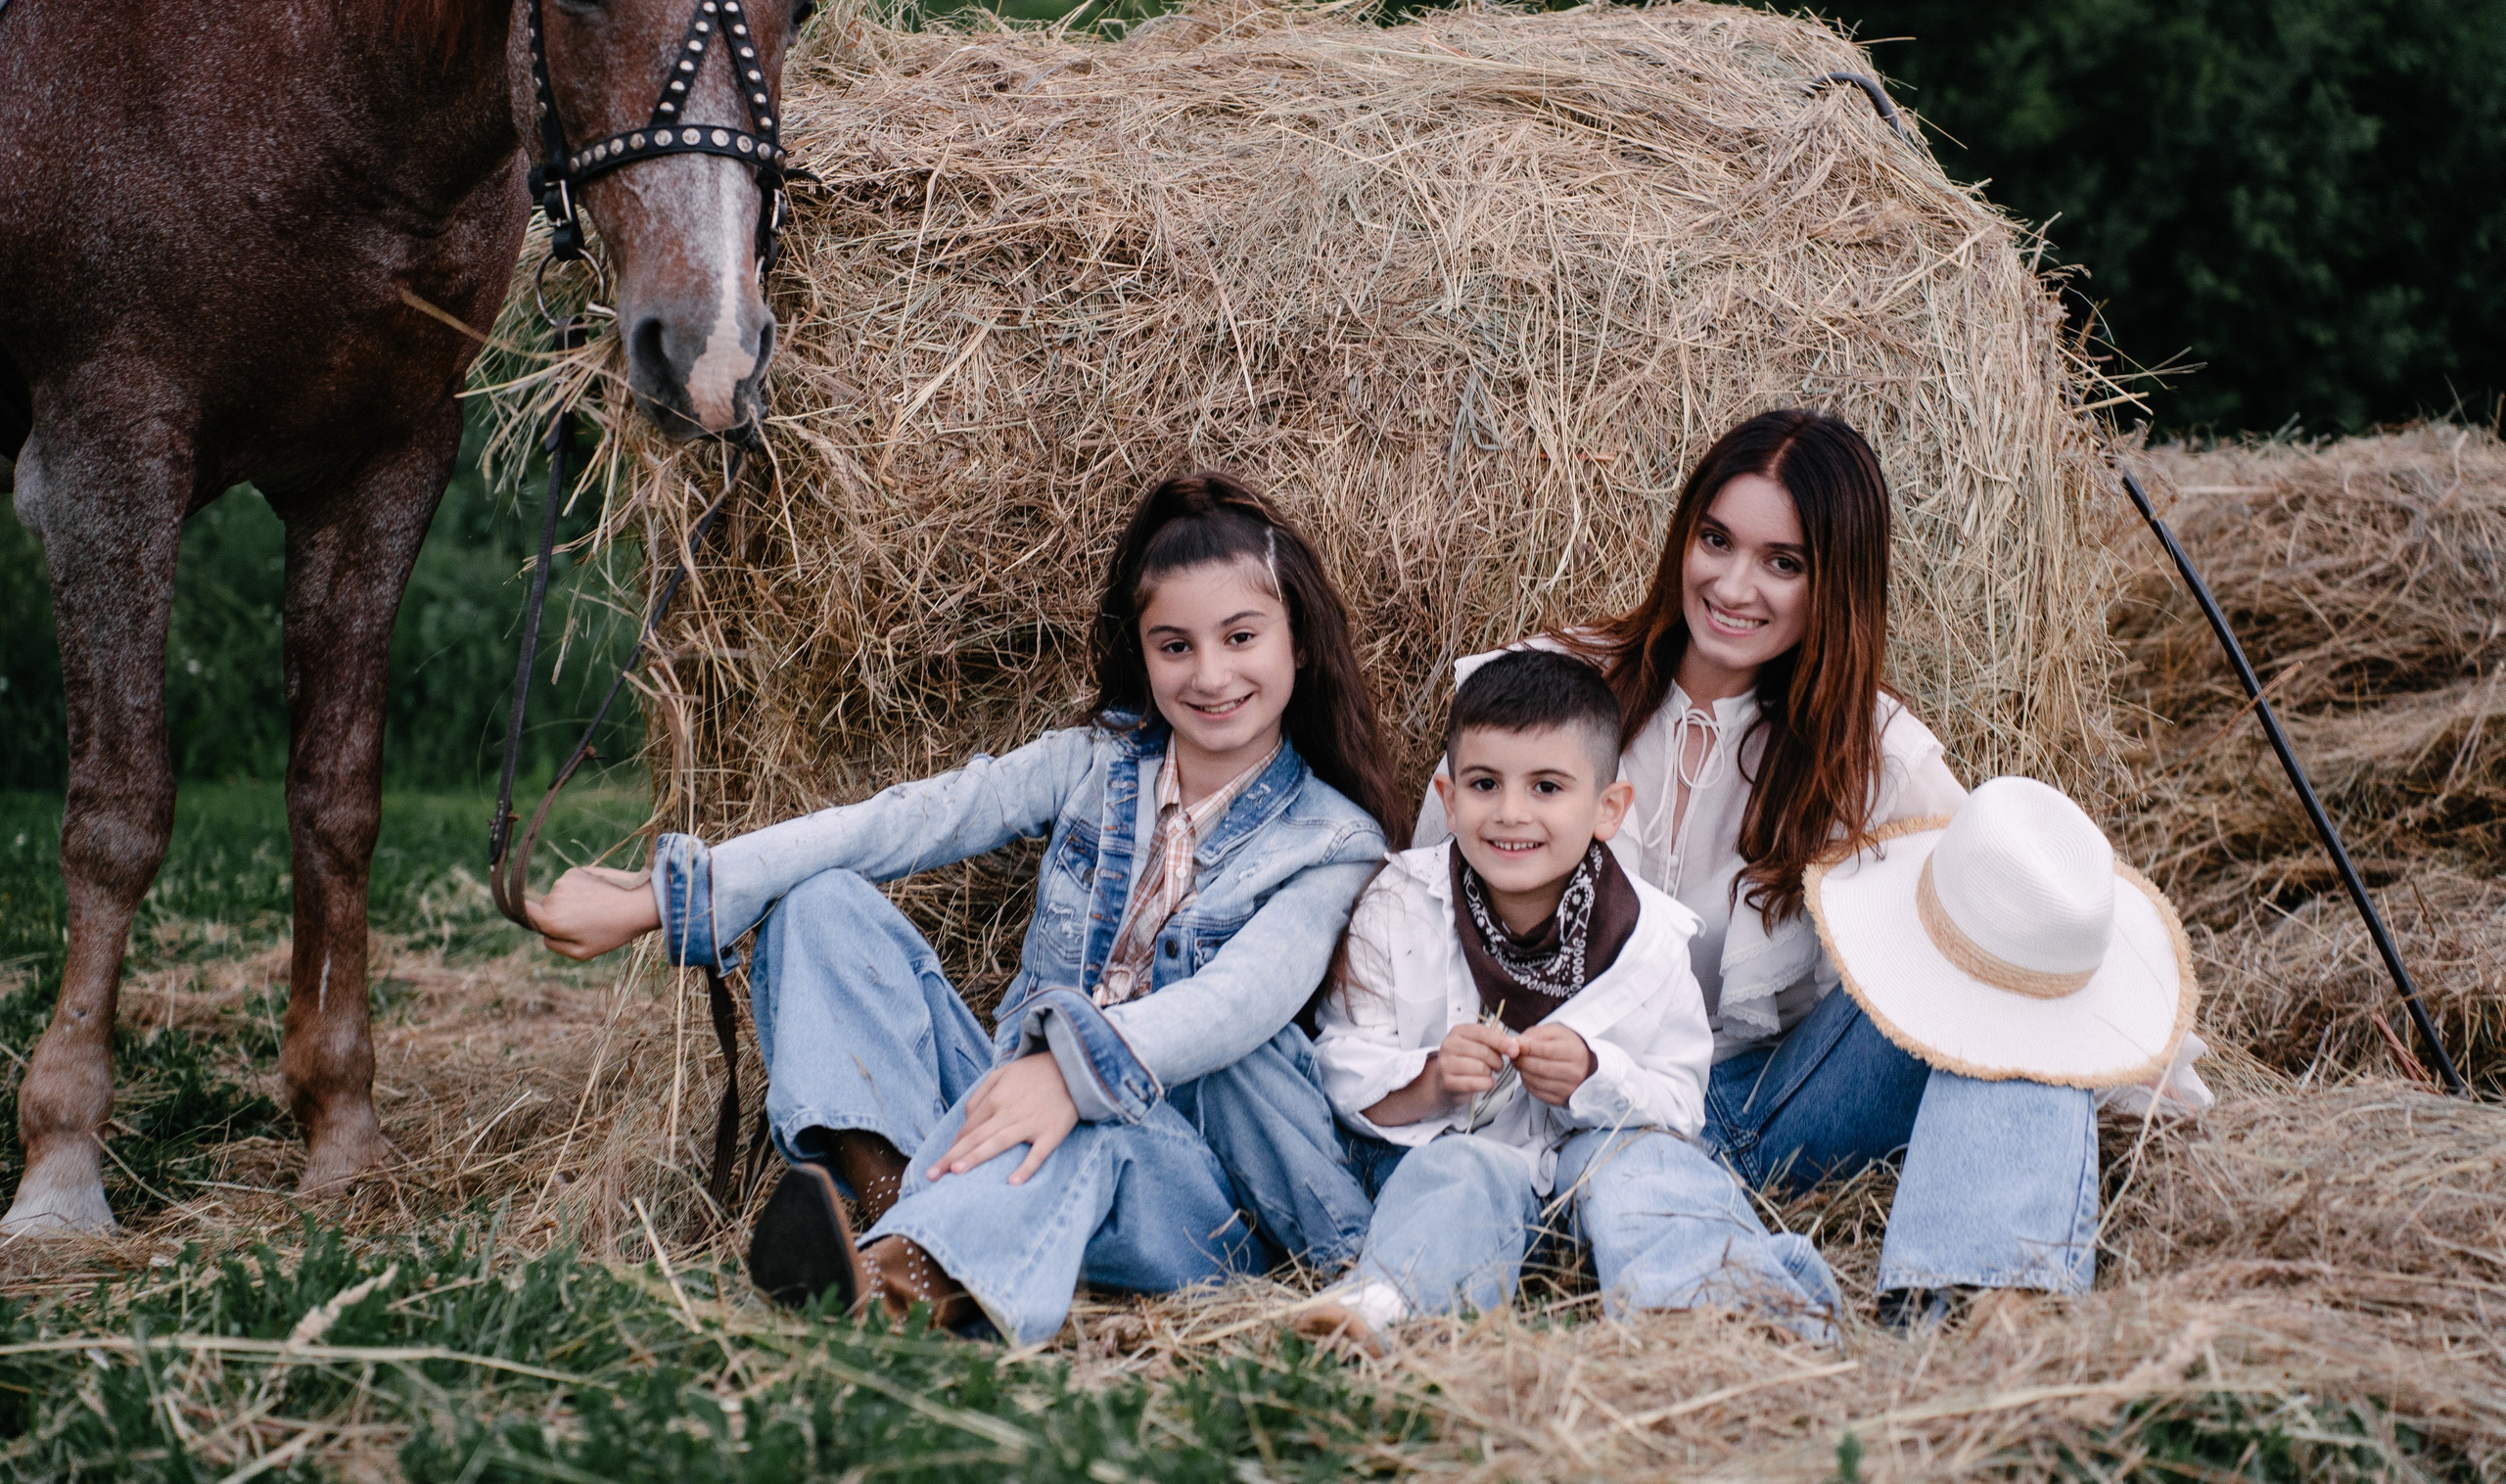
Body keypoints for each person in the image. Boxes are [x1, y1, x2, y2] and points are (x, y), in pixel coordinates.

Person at [529, 473, 1396, 1345]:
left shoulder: (1332, 842)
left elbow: (1239, 999)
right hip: (1001, 1113)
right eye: (1175, 645)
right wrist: (661, 897)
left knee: (1088, 1126)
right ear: (1142, 652)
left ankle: (897, 1289)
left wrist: (1072, 1075)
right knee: (822, 904)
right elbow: (905, 820)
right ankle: (893, 1196)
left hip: (1183, 1193)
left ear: (1300, 642)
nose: (1210, 674)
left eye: (1241, 636)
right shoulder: (1096, 763)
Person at [1415, 408, 2208, 1325]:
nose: (1733, 585)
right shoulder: (1550, 687)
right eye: (1716, 540)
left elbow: (2024, 925)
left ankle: (1981, 1312)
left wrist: (2142, 1070)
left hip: (1771, 1106)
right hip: (1576, 1113)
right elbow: (1424, 899)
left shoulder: (1876, 755)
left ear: (1835, 582)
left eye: (1782, 562)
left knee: (2010, 990)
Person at [1300, 650, 1840, 1352]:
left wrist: (1596, 1077)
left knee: (1649, 1170)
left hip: (1593, 1173)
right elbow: (1338, 1057)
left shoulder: (1649, 934)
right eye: (1485, 783)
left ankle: (1714, 1311)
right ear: (1450, 796)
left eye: (1548, 786)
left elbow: (1680, 1102)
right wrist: (1430, 1079)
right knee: (1456, 1173)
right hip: (1465, 1173)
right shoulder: (1396, 900)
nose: (1511, 812)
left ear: (1608, 808)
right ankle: (1396, 1308)